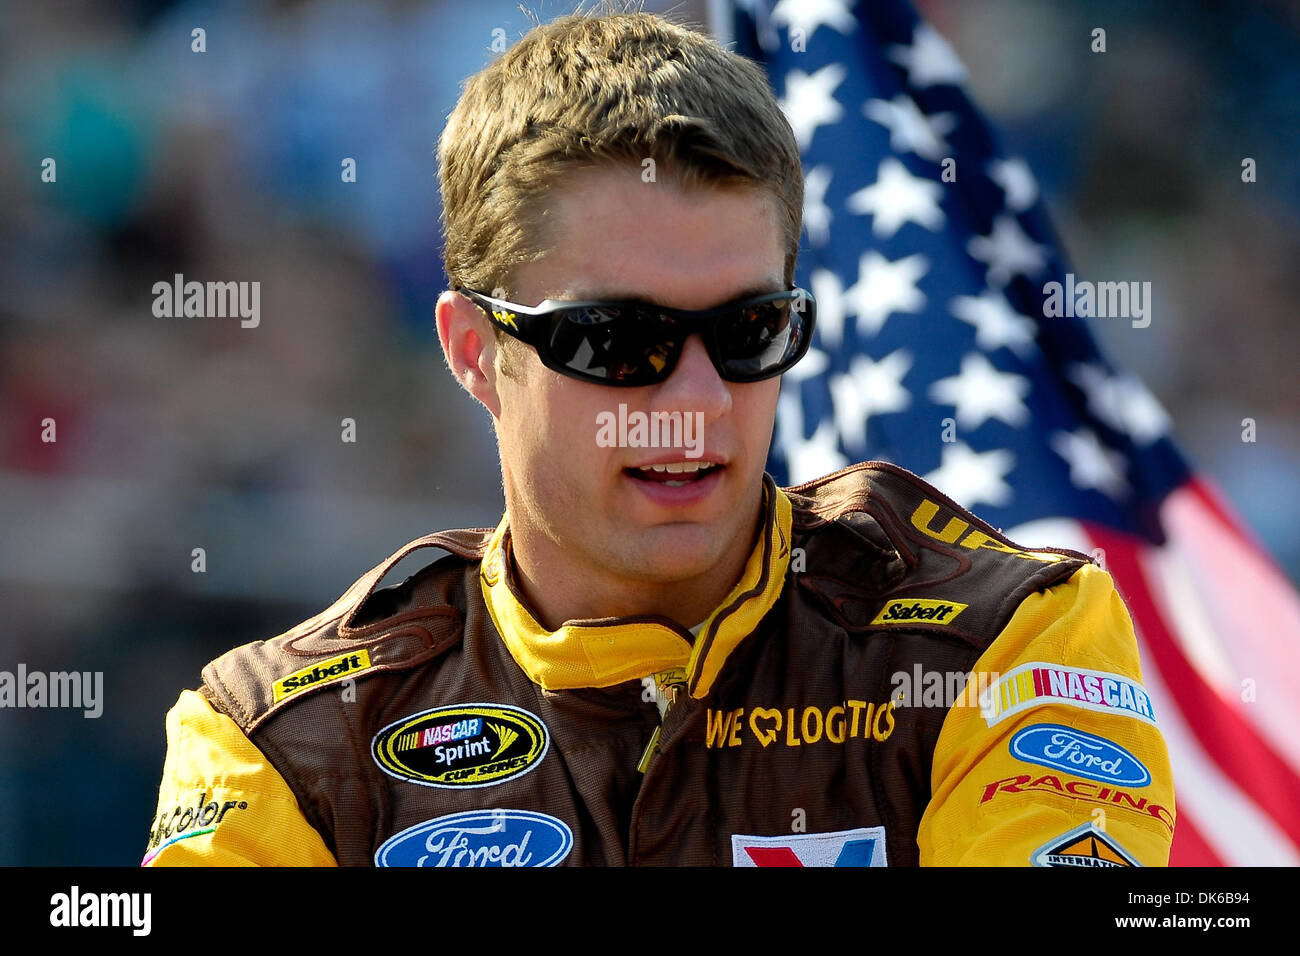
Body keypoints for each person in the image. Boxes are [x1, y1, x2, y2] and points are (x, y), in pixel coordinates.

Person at [144, 9, 1174, 867]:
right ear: (472, 350)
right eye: (617, 340)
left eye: (747, 332)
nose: (696, 399)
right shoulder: (274, 738)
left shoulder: (1010, 637)